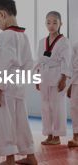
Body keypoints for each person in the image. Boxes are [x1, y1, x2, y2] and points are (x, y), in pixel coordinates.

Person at [0, 0, 37, 164]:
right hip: (18, 85)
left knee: (4, 121)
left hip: (5, 87)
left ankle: (9, 158)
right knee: (21, 121)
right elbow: (28, 63)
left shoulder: (5, 35)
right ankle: (30, 156)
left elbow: (2, 63)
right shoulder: (23, 36)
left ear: (2, 14)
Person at [35, 11, 72, 145]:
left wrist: (64, 78)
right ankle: (49, 134)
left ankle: (57, 136)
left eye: (54, 22)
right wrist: (37, 78)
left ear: (60, 23)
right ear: (45, 23)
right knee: (45, 106)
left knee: (57, 106)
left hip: (57, 75)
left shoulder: (64, 42)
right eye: (48, 22)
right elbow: (39, 61)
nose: (51, 25)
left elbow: (66, 61)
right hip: (44, 75)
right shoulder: (41, 42)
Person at [67, 42, 78, 147]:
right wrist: (70, 85)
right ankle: (76, 137)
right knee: (74, 109)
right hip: (75, 82)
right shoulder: (75, 46)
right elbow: (73, 67)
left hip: (75, 82)